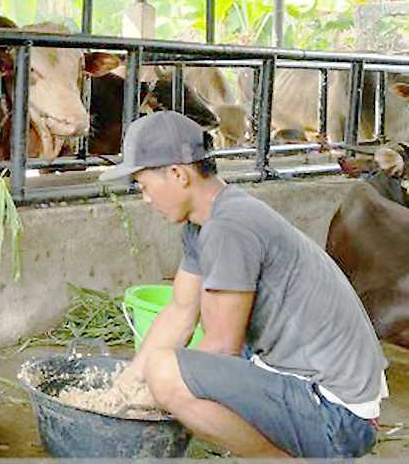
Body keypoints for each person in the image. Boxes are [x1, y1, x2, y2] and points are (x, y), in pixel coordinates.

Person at [102, 110, 386, 458]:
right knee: (164, 367)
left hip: (337, 416)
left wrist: (148, 396)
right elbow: (180, 311)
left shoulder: (229, 228)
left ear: (177, 174)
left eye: (144, 186)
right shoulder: (205, 223)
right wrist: (124, 386)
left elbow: (223, 348)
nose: (145, 198)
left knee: (166, 373)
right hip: (307, 384)